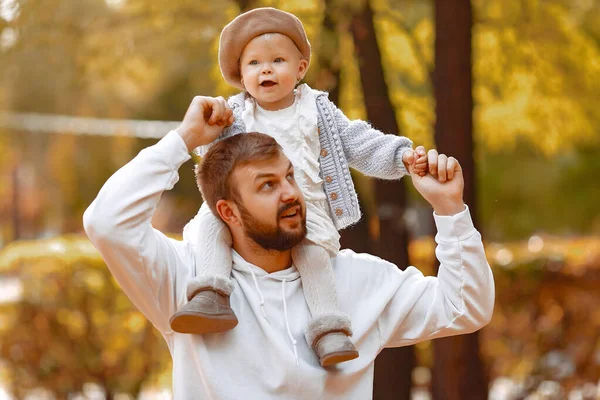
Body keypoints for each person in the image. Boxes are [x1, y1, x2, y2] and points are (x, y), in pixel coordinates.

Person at [83, 97, 495, 399]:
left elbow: (466, 306)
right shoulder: (185, 283)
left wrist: (450, 209)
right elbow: (106, 221)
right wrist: (183, 139)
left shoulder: (351, 279)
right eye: (267, 185)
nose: (290, 193)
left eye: (290, 177)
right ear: (227, 211)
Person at [170, 7, 429, 366]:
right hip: (246, 211)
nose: (266, 69)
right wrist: (210, 119)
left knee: (312, 256)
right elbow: (207, 150)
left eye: (278, 60)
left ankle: (329, 330)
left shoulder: (317, 110)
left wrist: (401, 157)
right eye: (254, 64)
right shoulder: (236, 114)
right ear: (240, 76)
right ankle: (211, 292)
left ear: (301, 68)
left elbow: (358, 141)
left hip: (303, 211)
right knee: (212, 223)